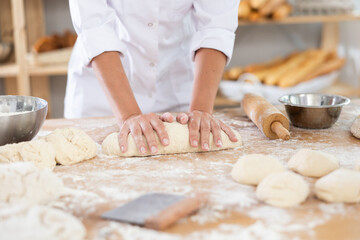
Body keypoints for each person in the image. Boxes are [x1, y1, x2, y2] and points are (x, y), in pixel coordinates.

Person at [65, 0, 240, 155]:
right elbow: (95, 28)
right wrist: (129, 115)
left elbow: (216, 25)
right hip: (102, 96)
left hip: (177, 91)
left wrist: (200, 110)